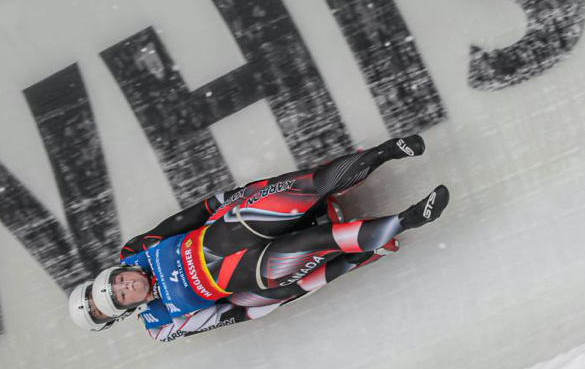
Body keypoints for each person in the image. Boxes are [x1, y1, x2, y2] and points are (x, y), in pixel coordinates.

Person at [68, 135, 450, 341]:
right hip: (253, 271)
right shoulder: (162, 325)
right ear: (125, 309)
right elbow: (230, 314)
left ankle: (385, 152)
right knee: (318, 242)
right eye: (120, 296)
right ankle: (409, 218)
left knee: (309, 185)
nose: (126, 285)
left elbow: (186, 218)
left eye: (117, 281)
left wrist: (234, 197)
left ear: (114, 272)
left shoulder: (136, 250)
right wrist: (286, 292)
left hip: (231, 227)